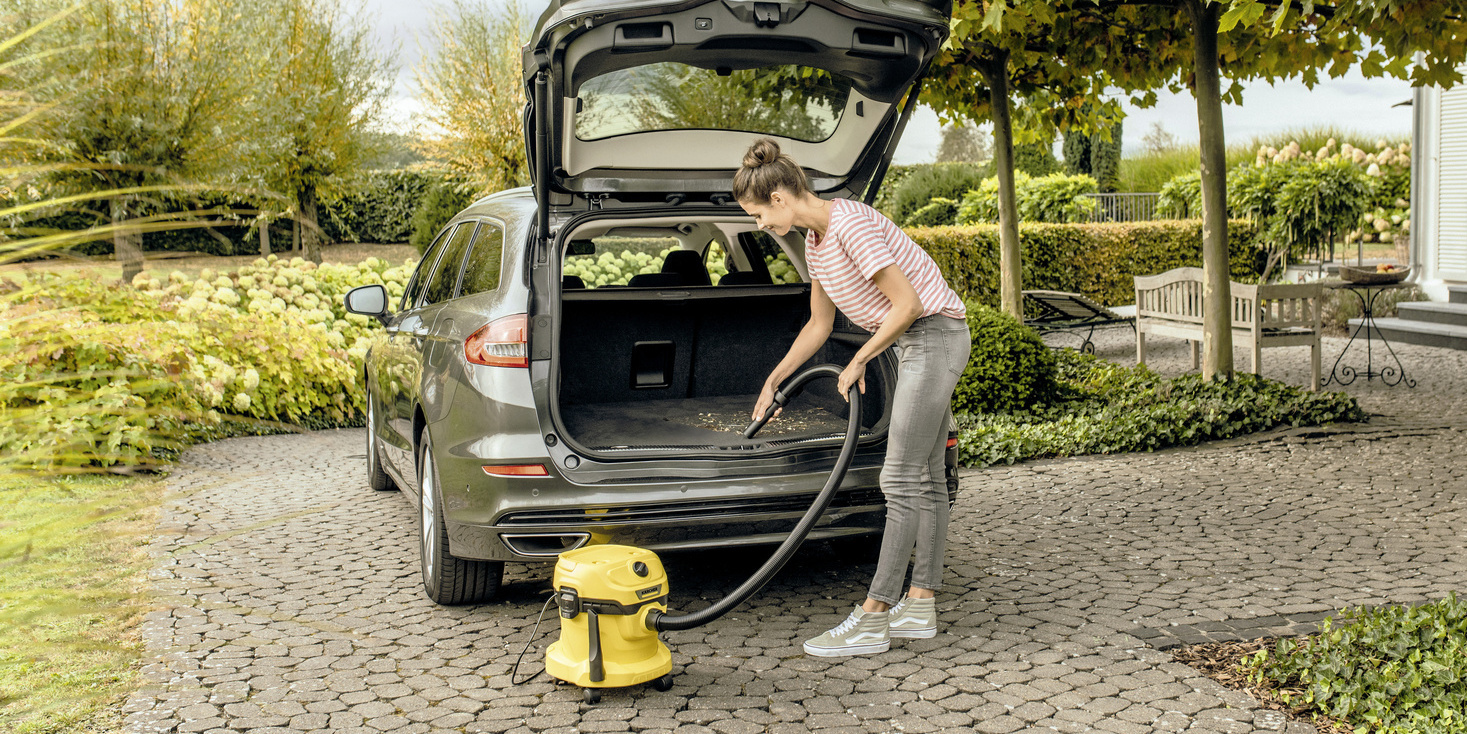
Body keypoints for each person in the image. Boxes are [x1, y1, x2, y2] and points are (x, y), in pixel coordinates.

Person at [735, 138, 971, 657]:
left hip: (933, 335)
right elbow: (819, 325)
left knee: (901, 477)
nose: (759, 225)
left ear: (779, 197)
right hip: (917, 340)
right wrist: (775, 378)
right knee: (927, 477)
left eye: (756, 214)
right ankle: (921, 604)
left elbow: (907, 304)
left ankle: (873, 616)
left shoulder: (851, 225)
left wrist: (861, 357)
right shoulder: (817, 244)